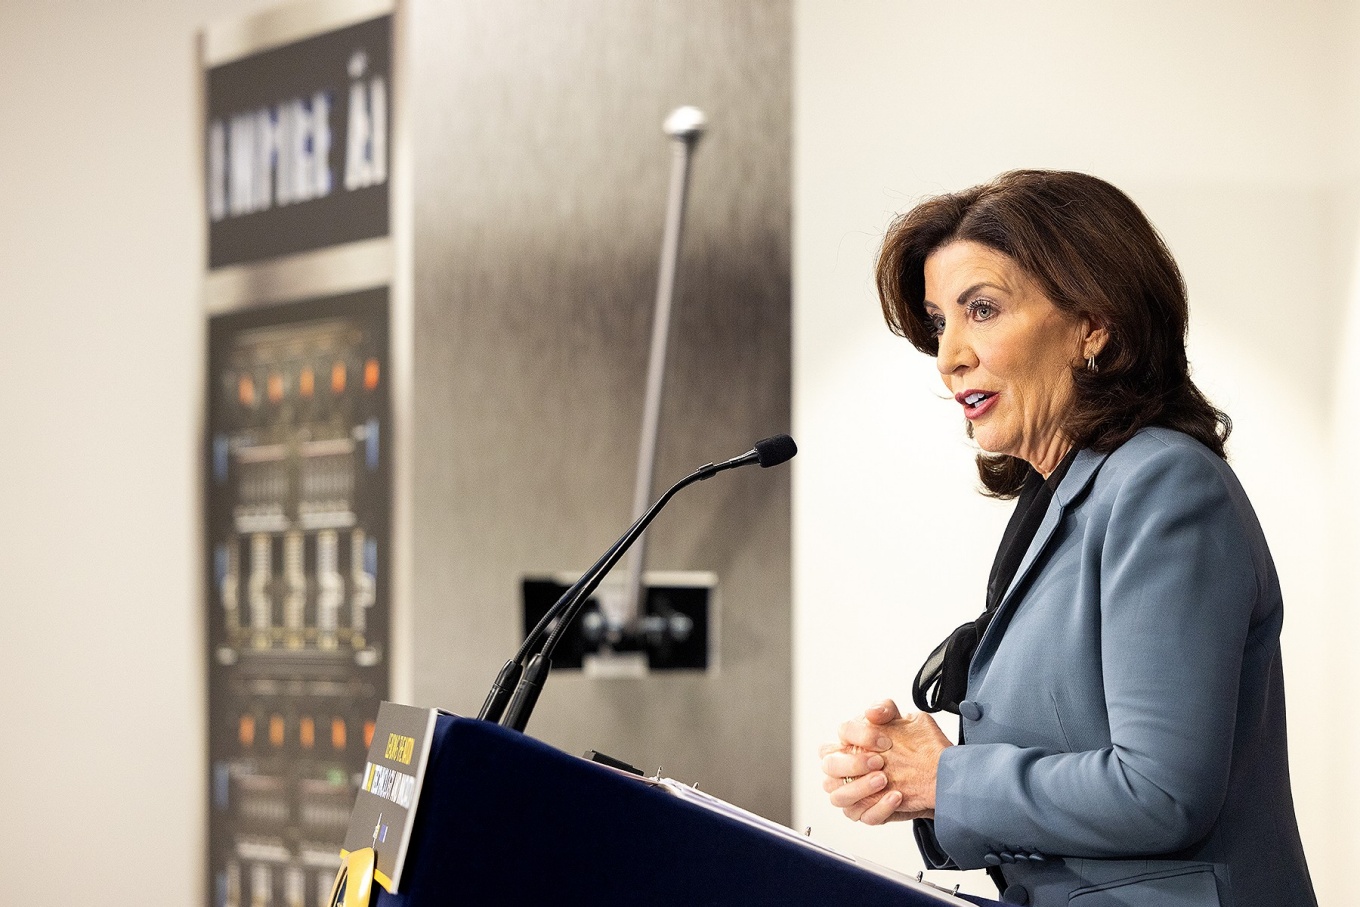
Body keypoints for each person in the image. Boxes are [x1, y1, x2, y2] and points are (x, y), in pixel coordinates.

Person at [819, 170, 1315, 907]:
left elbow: (1160, 791)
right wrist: (912, 781)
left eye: (981, 309)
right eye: (939, 321)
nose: (949, 355)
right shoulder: (1061, 496)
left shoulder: (1164, 485)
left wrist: (946, 779)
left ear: (1094, 325)